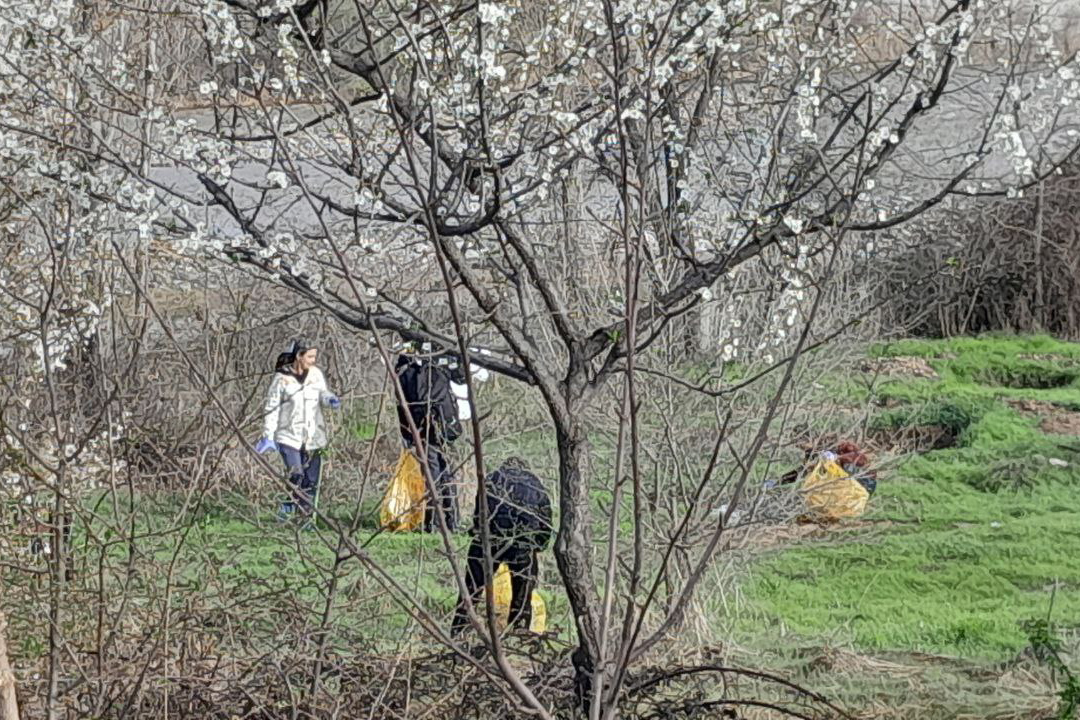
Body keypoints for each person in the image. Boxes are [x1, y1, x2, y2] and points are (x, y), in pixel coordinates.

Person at [452, 456, 552, 635]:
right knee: (523, 591)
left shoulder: (492, 479)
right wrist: (539, 545)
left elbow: (479, 513)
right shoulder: (535, 484)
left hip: (489, 540)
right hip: (522, 543)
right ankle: (519, 631)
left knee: (472, 587)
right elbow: (545, 521)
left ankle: (460, 629)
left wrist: (478, 530)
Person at [256, 339, 340, 520]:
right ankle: (287, 507)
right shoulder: (281, 379)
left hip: (314, 437)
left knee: (311, 480)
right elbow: (272, 407)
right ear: (299, 356)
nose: (313, 361)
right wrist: (268, 435)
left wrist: (329, 399)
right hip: (288, 436)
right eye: (310, 357)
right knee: (296, 475)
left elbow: (322, 393)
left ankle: (305, 517)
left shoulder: (315, 375)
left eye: (314, 357)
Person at [394, 347, 464, 532]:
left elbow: (403, 404)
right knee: (444, 470)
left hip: (429, 425)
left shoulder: (407, 369)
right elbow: (460, 377)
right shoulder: (435, 363)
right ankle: (448, 521)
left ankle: (436, 521)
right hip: (440, 424)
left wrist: (407, 435)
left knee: (435, 471)